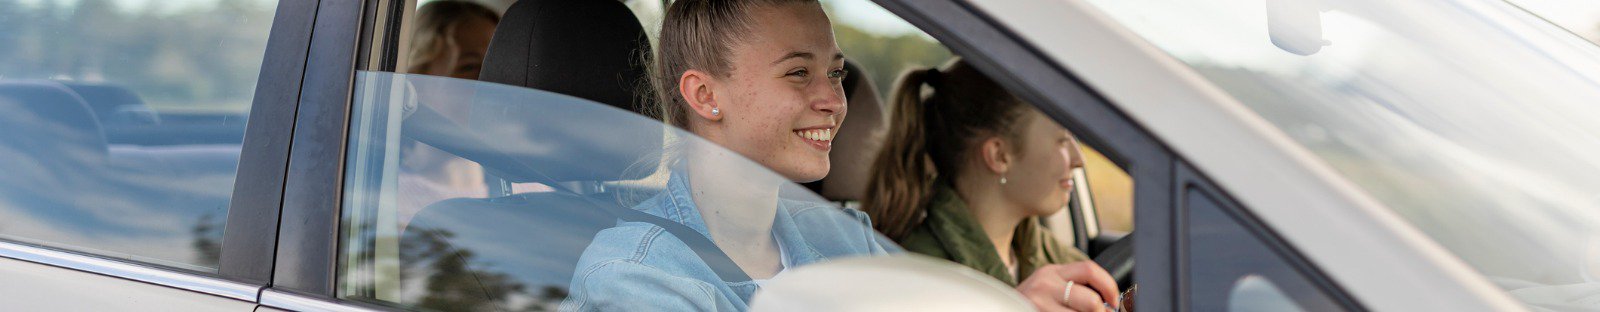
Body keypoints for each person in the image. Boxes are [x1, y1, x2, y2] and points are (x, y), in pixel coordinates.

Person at [560, 0, 889, 311]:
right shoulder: (633, 277)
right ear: (705, 96)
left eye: (836, 74)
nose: (834, 101)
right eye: (799, 73)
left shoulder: (846, 237)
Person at [863, 58, 1121, 312]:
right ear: (999, 155)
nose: (1079, 160)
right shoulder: (916, 276)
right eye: (1063, 140)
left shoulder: (1052, 254)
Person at [396, 0, 499, 229]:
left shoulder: (533, 192)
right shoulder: (382, 204)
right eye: (471, 66)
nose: (494, 83)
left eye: (497, 66)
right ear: (416, 79)